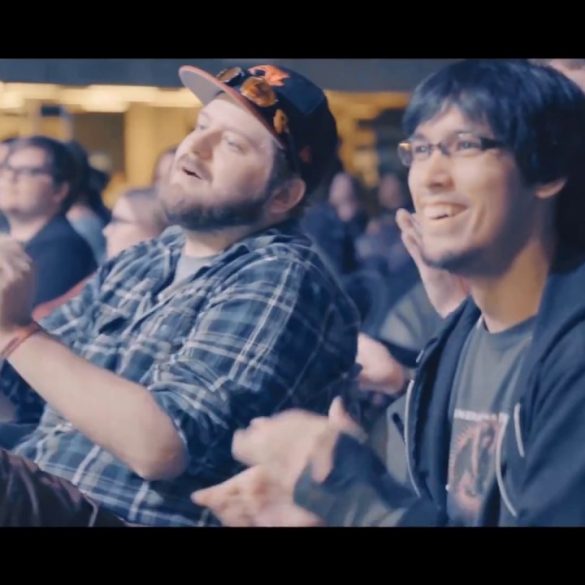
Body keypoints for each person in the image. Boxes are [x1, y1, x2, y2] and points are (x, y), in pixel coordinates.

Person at [194, 59, 585, 527]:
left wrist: (347, 490)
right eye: (420, 149)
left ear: (548, 170)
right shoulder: (458, 343)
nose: (430, 176)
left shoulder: (571, 351)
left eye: (465, 145)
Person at [0, 63, 358, 526]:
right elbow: (27, 379)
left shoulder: (281, 277)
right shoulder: (149, 257)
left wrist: (15, 330)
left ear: (284, 195)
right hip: (51, 489)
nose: (196, 147)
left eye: (232, 144)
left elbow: (160, 446)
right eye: (202, 126)